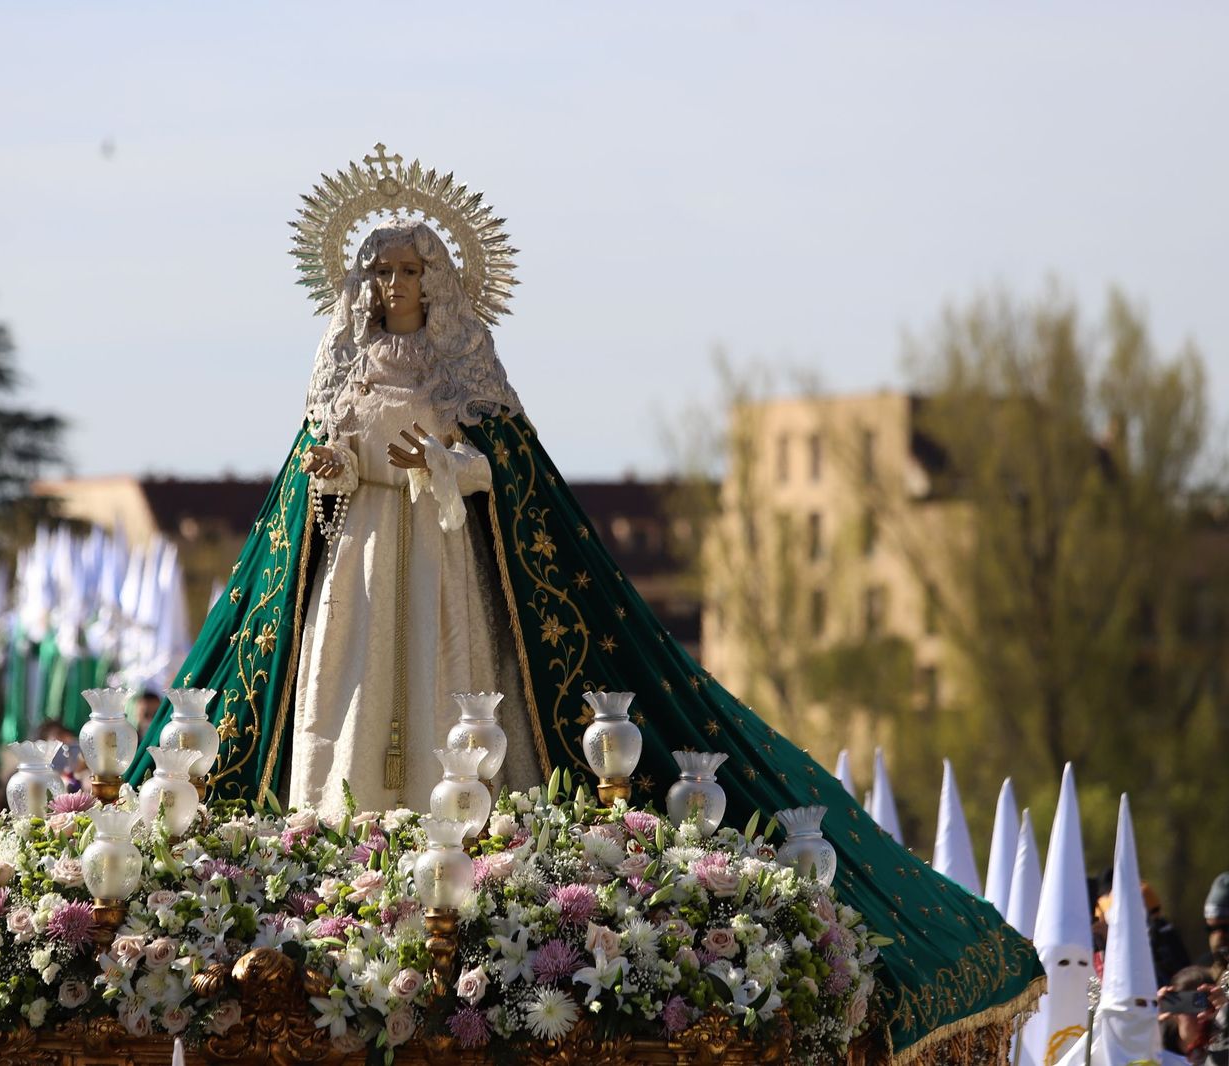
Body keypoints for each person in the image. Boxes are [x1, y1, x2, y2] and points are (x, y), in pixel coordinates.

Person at [124, 148, 1044, 1059]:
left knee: (454, 692)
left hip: (445, 565)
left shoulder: (462, 370)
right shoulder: (342, 373)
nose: (396, 284)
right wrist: (336, 470)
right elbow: (317, 487)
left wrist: (441, 466)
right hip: (362, 569)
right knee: (351, 700)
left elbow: (503, 474)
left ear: (437, 279)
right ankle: (341, 853)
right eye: (383, 270)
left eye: (412, 268)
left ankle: (466, 857)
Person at [1160, 964, 1227, 1065]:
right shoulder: (1156, 1051)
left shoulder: (1222, 1046)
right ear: (1172, 1009)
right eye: (1192, 1007)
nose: (1201, 1017)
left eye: (1207, 1007)